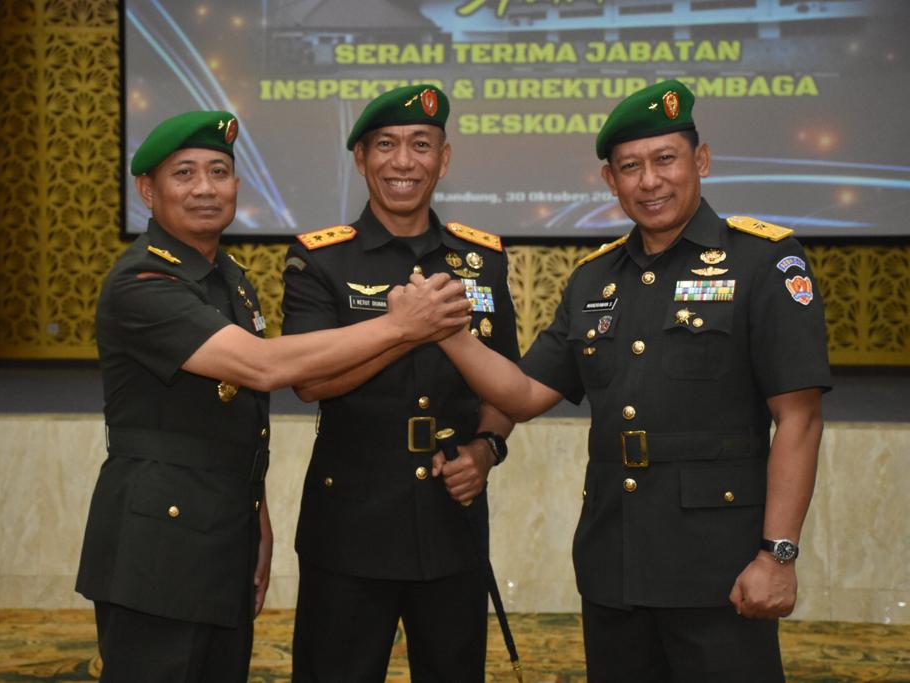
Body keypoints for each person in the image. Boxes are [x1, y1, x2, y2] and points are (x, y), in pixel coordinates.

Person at [434, 80, 831, 682]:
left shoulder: (765, 261)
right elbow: (523, 395)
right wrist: (446, 333)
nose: (650, 181)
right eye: (630, 167)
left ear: (701, 160)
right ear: (609, 180)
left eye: (665, 159)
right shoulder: (594, 279)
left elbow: (799, 419)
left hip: (719, 568)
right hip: (614, 562)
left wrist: (778, 555)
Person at [74, 110, 472, 683]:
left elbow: (231, 417)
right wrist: (400, 327)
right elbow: (260, 368)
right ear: (147, 191)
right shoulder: (144, 282)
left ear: (237, 185)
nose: (206, 188)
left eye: (219, 172)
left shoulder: (228, 278)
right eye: (184, 173)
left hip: (223, 531)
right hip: (155, 546)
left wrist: (256, 514)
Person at [281, 85, 520, 682]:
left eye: (421, 144)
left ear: (445, 158)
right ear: (361, 159)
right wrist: (406, 332)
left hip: (451, 520)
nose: (404, 162)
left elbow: (504, 386)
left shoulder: (482, 260)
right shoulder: (320, 260)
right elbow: (310, 381)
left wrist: (487, 449)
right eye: (386, 145)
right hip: (351, 524)